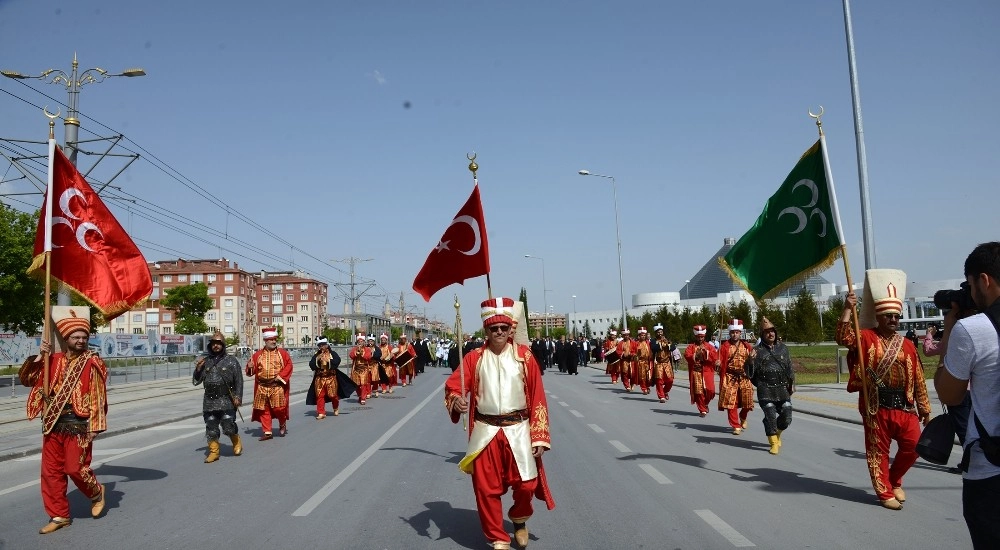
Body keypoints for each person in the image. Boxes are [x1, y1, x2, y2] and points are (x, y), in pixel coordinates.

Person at [445, 297, 555, 550]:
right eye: (494, 329)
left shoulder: (524, 358)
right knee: (486, 489)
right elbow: (453, 385)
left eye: (503, 328)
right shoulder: (475, 358)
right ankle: (498, 537)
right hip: (486, 431)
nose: (499, 333)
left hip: (519, 429)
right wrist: (456, 401)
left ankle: (519, 517)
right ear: (486, 330)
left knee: (527, 484)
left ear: (510, 329)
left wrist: (539, 435)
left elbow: (538, 396)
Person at [836, 269, 931, 510]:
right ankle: (884, 492)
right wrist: (848, 308)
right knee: (878, 452)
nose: (893, 320)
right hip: (876, 406)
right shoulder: (865, 337)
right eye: (888, 316)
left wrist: (925, 408)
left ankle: (894, 479)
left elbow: (919, 378)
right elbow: (842, 337)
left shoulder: (908, 344)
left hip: (905, 407)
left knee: (914, 446)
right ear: (879, 317)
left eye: (896, 316)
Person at [935, 242, 1000, 548]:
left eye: (971, 285)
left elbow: (949, 394)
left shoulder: (975, 329)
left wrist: (950, 327)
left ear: (985, 280)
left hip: (991, 471)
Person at [22, 307, 108, 534]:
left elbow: (99, 396)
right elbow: (28, 380)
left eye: (84, 337)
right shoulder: (53, 359)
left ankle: (96, 492)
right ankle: (59, 515)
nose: (80, 341)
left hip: (79, 425)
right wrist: (41, 357)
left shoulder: (92, 362)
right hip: (52, 423)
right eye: (75, 337)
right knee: (51, 472)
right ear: (66, 338)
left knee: (74, 469)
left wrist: (96, 426)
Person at [193, 330, 244, 462]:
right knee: (211, 426)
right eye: (213, 343)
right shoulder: (206, 361)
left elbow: (239, 380)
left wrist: (238, 396)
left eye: (218, 343)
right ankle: (214, 452)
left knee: (228, 425)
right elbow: (196, 380)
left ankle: (236, 441)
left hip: (226, 398)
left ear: (223, 345)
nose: (216, 346)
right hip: (209, 400)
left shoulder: (231, 361)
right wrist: (198, 369)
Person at [748, 317, 794, 455]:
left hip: (782, 388)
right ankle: (773, 442)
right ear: (762, 335)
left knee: (787, 415)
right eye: (767, 332)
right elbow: (750, 373)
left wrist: (792, 384)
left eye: (772, 331)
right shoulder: (756, 350)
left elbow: (789, 368)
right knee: (770, 414)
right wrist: (750, 360)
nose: (771, 334)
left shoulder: (783, 348)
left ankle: (778, 432)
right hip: (765, 389)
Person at [245, 327, 294, 440]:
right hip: (262, 387)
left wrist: (280, 377)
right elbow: (250, 372)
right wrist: (250, 367)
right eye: (271, 339)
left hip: (276, 386)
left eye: (274, 339)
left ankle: (282, 423)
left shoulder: (282, 353)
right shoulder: (257, 355)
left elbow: (289, 365)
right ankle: (267, 431)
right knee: (263, 409)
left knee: (279, 409)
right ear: (265, 341)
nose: (273, 341)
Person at [716, 319, 755, 435]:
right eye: (733, 332)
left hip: (744, 376)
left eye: (737, 332)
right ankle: (735, 425)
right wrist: (717, 363)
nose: (735, 334)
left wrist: (752, 359)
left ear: (740, 333)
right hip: (729, 376)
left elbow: (752, 362)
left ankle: (743, 416)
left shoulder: (747, 345)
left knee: (748, 402)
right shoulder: (724, 346)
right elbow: (719, 363)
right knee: (730, 402)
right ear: (730, 333)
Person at [685, 325, 718, 417]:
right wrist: (695, 355)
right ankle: (702, 410)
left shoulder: (709, 346)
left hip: (707, 371)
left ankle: (705, 403)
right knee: (699, 392)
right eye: (698, 337)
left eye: (702, 337)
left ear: (705, 336)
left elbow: (714, 356)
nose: (700, 338)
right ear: (695, 336)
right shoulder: (691, 347)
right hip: (696, 372)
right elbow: (687, 356)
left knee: (711, 391)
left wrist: (706, 353)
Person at [307, 337, 343, 419]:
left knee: (333, 395)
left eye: (323, 345)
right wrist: (317, 360)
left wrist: (328, 361)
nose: (321, 347)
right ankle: (321, 412)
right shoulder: (316, 355)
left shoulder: (332, 353)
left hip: (331, 378)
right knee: (319, 395)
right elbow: (311, 364)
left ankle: (335, 407)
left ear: (327, 345)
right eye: (320, 345)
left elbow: (337, 361)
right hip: (320, 378)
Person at [349, 334, 377, 404]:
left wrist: (361, 354)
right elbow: (351, 355)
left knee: (363, 384)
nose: (360, 343)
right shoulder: (354, 349)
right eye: (359, 341)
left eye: (361, 341)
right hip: (356, 369)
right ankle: (360, 395)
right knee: (356, 384)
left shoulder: (367, 349)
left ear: (364, 342)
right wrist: (356, 353)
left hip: (364, 369)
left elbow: (368, 357)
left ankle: (363, 398)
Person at [651, 324, 674, 403]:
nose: (660, 333)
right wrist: (661, 345)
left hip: (667, 363)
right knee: (659, 380)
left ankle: (665, 391)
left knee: (670, 380)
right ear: (655, 333)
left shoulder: (667, 339)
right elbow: (653, 348)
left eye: (661, 332)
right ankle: (661, 396)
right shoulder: (653, 341)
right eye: (658, 332)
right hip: (658, 363)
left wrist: (668, 344)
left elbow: (673, 347)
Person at [633, 327, 652, 394]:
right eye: (642, 335)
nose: (643, 336)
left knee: (648, 376)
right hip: (640, 362)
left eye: (644, 335)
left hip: (648, 361)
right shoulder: (636, 343)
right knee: (642, 376)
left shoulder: (648, 343)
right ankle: (644, 389)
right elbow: (633, 352)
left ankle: (647, 386)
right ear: (639, 336)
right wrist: (635, 356)